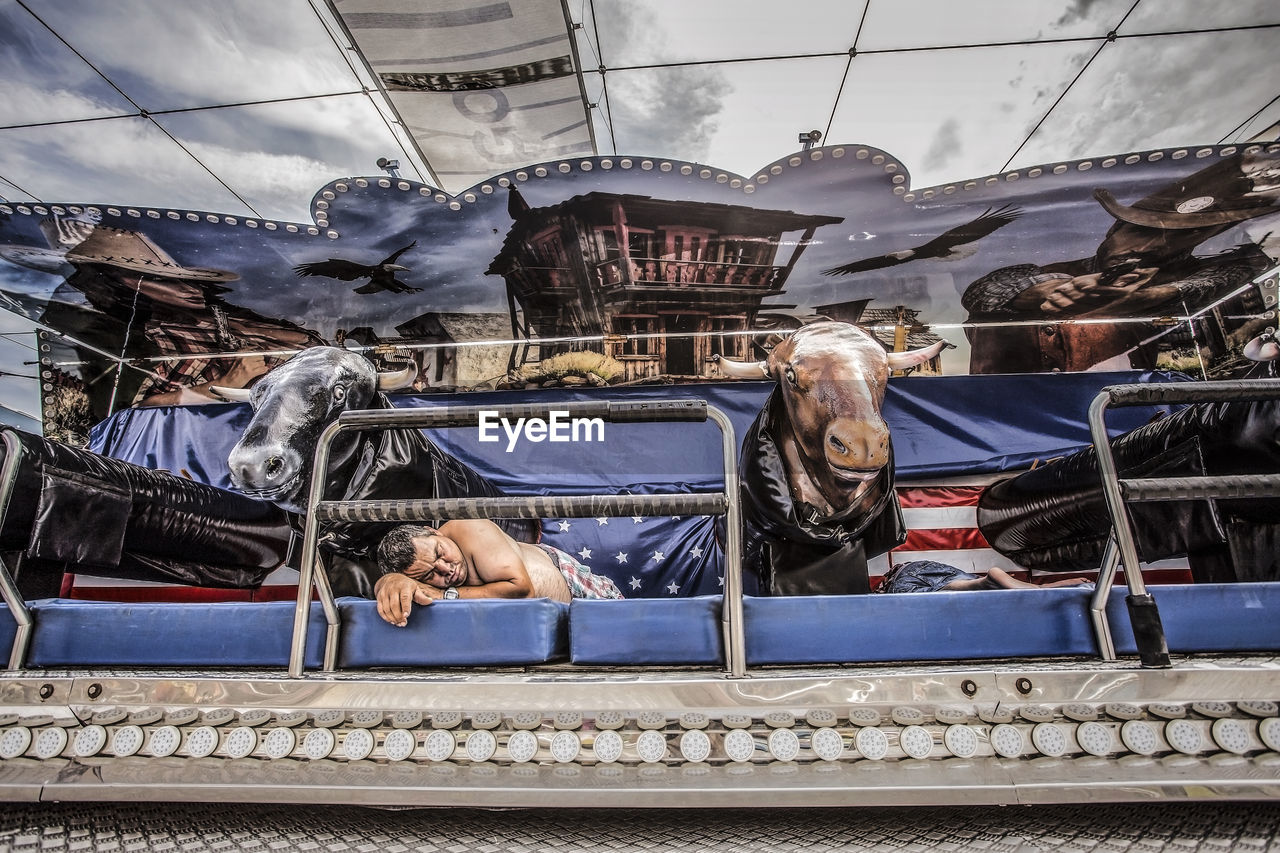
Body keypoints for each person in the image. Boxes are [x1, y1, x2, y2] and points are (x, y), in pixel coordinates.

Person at [963, 151, 1280, 374]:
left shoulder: (1214, 274)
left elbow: (1223, 279)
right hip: (995, 442)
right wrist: (1053, 289)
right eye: (1138, 230)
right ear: (1114, 229)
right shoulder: (1027, 274)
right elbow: (987, 291)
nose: (1147, 245)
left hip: (1124, 439)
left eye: (1176, 237)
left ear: (1195, 244)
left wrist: (1151, 295)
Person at [374, 521, 624, 626]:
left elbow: (523, 590)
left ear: (435, 531)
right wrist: (389, 582)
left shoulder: (470, 530)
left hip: (588, 595)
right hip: (548, 633)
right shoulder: (419, 572)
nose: (446, 569)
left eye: (441, 553)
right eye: (430, 575)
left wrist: (443, 593)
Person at [877, 559, 1093, 594]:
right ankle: (1041, 589)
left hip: (896, 583)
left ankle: (985, 583)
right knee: (957, 584)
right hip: (920, 567)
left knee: (948, 592)